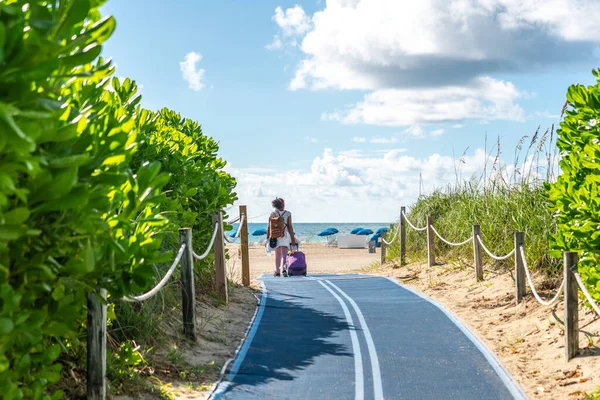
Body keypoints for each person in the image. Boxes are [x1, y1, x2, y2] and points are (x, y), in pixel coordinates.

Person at [267, 197, 296, 277]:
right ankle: (283, 269)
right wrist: (293, 239)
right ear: (283, 204)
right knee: (284, 254)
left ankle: (277, 271)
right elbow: (290, 226)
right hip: (285, 235)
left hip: (275, 235)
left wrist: (268, 238)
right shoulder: (288, 214)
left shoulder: (273, 214)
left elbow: (269, 227)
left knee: (277, 254)